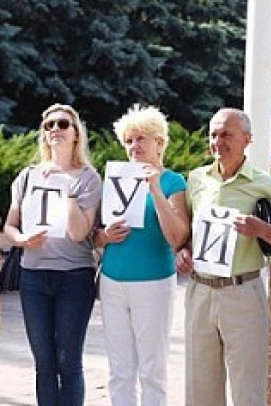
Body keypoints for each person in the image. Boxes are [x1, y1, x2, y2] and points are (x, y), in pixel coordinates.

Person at [176, 108, 271, 406]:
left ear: (247, 139)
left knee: (247, 391)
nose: (219, 141)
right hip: (199, 291)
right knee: (199, 391)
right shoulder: (195, 180)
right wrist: (183, 252)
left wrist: (261, 229)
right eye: (214, 134)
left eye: (227, 134)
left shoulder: (266, 184)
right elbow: (186, 235)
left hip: (242, 293)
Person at [3, 103, 102, 406]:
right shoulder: (28, 176)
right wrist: (22, 239)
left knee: (68, 360)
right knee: (43, 362)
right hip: (33, 276)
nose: (55, 130)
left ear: (76, 134)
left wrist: (67, 189)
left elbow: (77, 233)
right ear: (43, 135)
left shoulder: (88, 178)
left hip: (74, 277)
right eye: (49, 126)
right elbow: (9, 225)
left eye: (62, 124)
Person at [94, 105, 189, 406]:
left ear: (160, 142)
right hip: (112, 281)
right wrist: (103, 236)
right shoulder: (117, 178)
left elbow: (177, 237)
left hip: (153, 283)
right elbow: (95, 237)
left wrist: (156, 190)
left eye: (141, 138)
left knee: (152, 369)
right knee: (119, 370)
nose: (134, 146)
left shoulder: (174, 182)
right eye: (129, 140)